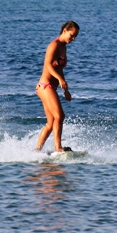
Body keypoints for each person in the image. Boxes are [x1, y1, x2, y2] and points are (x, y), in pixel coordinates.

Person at [35, 21, 80, 153]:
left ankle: (36, 151)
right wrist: (60, 80)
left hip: (50, 87)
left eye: (75, 37)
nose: (73, 39)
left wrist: (65, 90)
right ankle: (57, 147)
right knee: (60, 116)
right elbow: (48, 65)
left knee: (51, 123)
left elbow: (59, 69)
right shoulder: (54, 45)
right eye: (72, 35)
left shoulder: (63, 46)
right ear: (65, 31)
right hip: (45, 86)